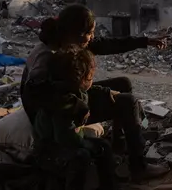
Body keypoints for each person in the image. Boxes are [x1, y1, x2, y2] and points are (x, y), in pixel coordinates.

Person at [21, 4, 168, 181]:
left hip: (67, 96)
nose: (92, 38)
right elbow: (37, 95)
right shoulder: (48, 57)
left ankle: (119, 145)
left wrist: (144, 41)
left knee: (123, 83)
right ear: (77, 33)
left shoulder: (68, 41)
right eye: (90, 32)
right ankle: (138, 167)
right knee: (129, 102)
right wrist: (83, 105)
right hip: (56, 112)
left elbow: (107, 45)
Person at [33, 46, 117, 190]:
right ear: (82, 79)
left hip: (64, 143)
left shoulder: (71, 92)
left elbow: (88, 92)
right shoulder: (63, 103)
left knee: (103, 146)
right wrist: (86, 144)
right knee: (81, 156)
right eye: (90, 77)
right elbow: (64, 137)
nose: (92, 81)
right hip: (49, 151)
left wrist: (106, 92)